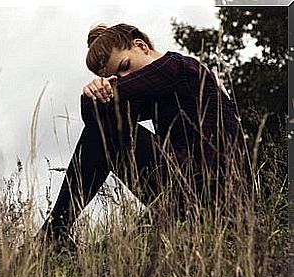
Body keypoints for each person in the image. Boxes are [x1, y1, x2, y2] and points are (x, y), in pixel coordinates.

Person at [40, 23, 251, 252]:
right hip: (191, 195)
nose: (124, 78)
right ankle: (56, 236)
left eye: (125, 66)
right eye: (115, 77)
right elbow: (97, 117)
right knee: (111, 252)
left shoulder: (177, 67)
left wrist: (96, 94)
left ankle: (53, 231)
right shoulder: (161, 91)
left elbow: (101, 119)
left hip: (215, 194)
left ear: (140, 45)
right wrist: (97, 94)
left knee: (108, 127)